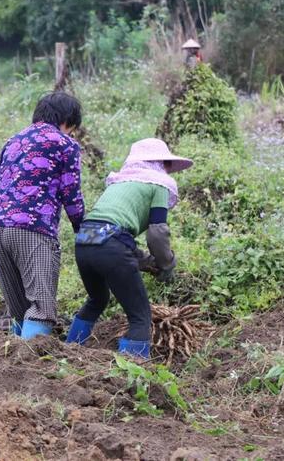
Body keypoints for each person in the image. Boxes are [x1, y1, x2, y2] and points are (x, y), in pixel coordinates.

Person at [65, 138, 193, 358]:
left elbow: (107, 233)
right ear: (161, 164)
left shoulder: (120, 183)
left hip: (84, 241)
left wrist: (144, 261)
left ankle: (68, 352)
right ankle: (132, 373)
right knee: (140, 316)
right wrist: (166, 263)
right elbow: (157, 233)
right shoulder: (158, 185)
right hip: (111, 245)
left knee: (97, 299)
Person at [0, 91, 85, 340]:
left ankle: (11, 367)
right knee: (41, 308)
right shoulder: (64, 143)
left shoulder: (13, 141)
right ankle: (31, 370)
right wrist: (82, 229)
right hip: (32, 231)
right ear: (67, 121)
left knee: (19, 309)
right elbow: (70, 193)